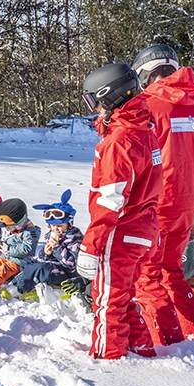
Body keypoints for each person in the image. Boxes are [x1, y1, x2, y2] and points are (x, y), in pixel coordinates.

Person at [131, 44, 194, 345]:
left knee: (147, 277)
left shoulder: (145, 106)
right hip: (186, 206)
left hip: (152, 206)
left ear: (144, 75)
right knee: (172, 273)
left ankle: (167, 342)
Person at [77, 63, 162, 359]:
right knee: (123, 298)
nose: (96, 110)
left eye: (97, 102)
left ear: (110, 97)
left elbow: (111, 200)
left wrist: (91, 245)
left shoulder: (120, 141)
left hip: (121, 231)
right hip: (144, 229)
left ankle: (108, 358)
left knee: (107, 299)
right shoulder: (144, 130)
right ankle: (140, 349)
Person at [0, 190, 83, 301]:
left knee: (41, 269)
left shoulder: (74, 239)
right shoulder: (51, 235)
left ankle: (16, 289)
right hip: (55, 269)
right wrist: (46, 252)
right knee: (29, 263)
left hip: (69, 274)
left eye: (59, 226)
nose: (55, 229)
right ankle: (24, 287)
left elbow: (71, 264)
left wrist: (58, 247)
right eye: (52, 226)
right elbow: (42, 258)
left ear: (69, 224)